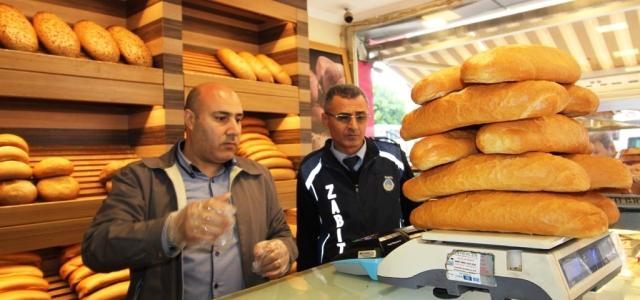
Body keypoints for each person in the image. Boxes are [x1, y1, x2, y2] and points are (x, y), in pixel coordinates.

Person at [82, 82, 297, 300]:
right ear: (190, 120)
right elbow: (96, 248)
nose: (234, 130)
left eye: (238, 119)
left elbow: (282, 233)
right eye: (221, 118)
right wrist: (172, 230)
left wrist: (283, 251)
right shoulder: (141, 177)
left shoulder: (259, 176)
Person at [295, 83, 419, 271]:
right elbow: (306, 239)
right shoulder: (310, 170)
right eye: (343, 117)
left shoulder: (394, 158)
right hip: (335, 273)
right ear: (325, 120)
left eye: (360, 117)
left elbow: (415, 216)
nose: (353, 126)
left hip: (393, 266)